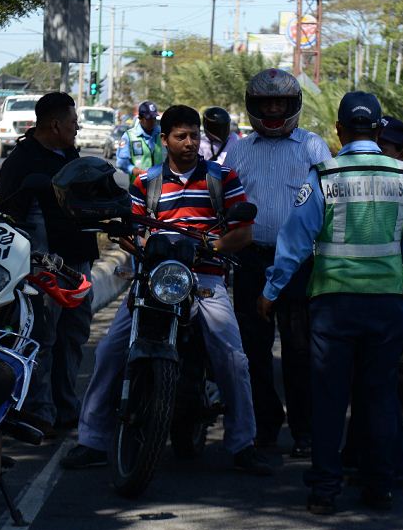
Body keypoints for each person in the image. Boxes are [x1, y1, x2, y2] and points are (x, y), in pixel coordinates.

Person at [63, 104, 274, 475]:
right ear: (165, 140)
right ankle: (92, 440)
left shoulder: (222, 178)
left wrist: (212, 247)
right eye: (181, 136)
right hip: (153, 278)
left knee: (233, 356)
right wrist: (141, 244)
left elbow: (243, 232)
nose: (190, 143)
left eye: (195, 135)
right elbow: (132, 231)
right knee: (111, 350)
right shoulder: (147, 181)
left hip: (205, 280)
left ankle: (243, 443)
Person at [258, 91, 403, 514]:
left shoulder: (323, 176)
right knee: (380, 396)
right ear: (377, 128)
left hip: (333, 306)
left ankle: (325, 489)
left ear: (339, 130)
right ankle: (379, 485)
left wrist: (271, 291)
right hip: (386, 306)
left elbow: (295, 241)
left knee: (330, 397)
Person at [223, 68, 331, 457]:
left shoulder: (313, 148)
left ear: (292, 106)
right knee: (252, 351)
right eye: (265, 103)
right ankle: (265, 425)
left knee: (302, 352)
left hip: (301, 266)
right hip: (250, 262)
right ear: (253, 106)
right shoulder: (238, 149)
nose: (272, 109)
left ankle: (304, 431)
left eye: (279, 103)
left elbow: (330, 206)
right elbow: (224, 202)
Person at [0, 91, 99, 432]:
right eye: (73, 122)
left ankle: (67, 410)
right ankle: (40, 413)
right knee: (43, 339)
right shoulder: (20, 163)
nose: (78, 127)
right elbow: (5, 218)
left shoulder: (70, 153)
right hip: (42, 273)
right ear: (55, 124)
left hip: (78, 266)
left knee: (73, 337)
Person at [341, 113, 403, 488]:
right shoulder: (384, 182)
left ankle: (387, 466)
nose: (378, 151)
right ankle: (365, 460)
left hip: (395, 302)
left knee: (379, 389)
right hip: (377, 301)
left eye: (386, 146)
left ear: (402, 153)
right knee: (368, 386)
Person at [115, 101, 165, 179]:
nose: (152, 121)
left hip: (160, 185)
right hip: (138, 186)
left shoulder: (162, 134)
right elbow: (121, 162)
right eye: (148, 119)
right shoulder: (129, 136)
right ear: (140, 118)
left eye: (154, 118)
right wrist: (134, 170)